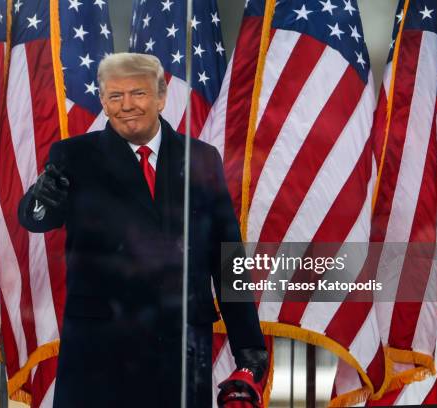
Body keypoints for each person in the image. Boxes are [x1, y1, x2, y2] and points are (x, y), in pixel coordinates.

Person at [18, 53, 268, 407]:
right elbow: (37, 220)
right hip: (100, 350)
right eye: (115, 96)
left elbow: (228, 259)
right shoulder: (72, 156)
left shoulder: (201, 158)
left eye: (138, 93)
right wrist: (39, 199)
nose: (126, 106)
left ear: (161, 97)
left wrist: (249, 348)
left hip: (181, 347)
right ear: (103, 102)